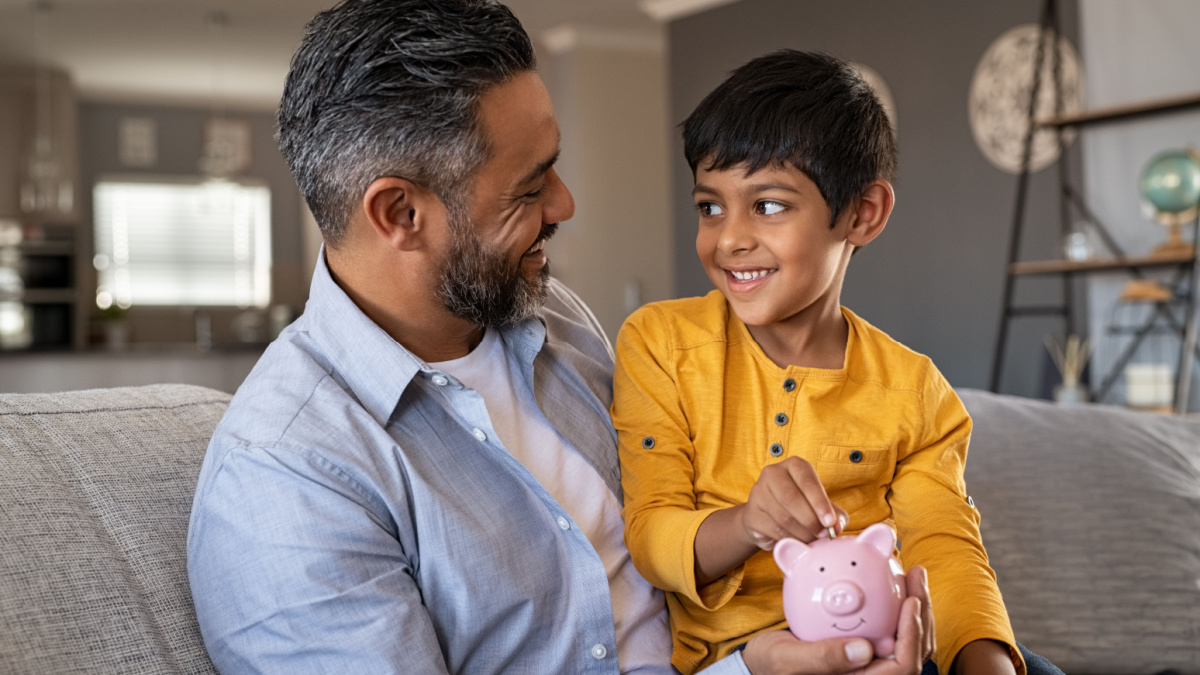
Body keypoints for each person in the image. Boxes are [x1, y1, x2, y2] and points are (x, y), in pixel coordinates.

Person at [187, 2, 933, 673]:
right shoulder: (288, 478)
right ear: (399, 214)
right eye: (530, 185)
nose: (565, 203)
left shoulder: (559, 323)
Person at [612, 50, 1063, 675]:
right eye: (710, 206)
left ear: (862, 213)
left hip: (890, 649)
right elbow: (651, 536)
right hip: (742, 662)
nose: (729, 238)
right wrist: (748, 523)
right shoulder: (660, 343)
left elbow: (945, 547)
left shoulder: (916, 391)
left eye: (768, 205)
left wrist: (985, 663)